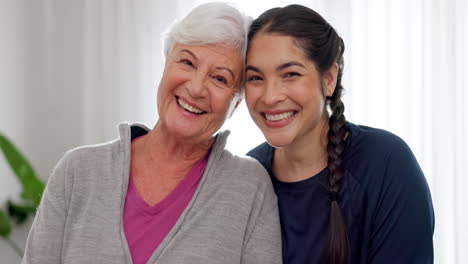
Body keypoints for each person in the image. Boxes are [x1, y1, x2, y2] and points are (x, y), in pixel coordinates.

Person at [22, 3, 281, 264]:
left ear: (236, 103)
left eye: (220, 79)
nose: (196, 88)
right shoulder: (77, 172)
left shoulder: (250, 188)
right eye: (187, 62)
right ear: (165, 64)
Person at [245, 4, 434, 264]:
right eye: (255, 78)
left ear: (329, 79)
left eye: (290, 74)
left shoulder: (386, 163)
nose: (270, 96)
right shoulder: (248, 177)